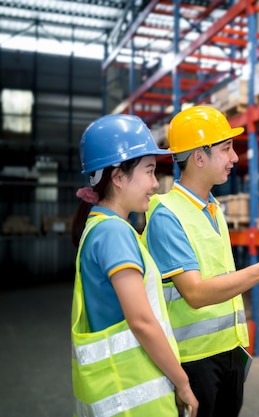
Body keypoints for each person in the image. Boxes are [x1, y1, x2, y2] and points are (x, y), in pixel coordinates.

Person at [141, 105, 259, 417]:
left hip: (229, 352)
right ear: (199, 157)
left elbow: (220, 278)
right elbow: (196, 293)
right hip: (193, 360)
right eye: (226, 149)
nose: (235, 158)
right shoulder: (167, 215)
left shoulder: (213, 209)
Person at [70, 114, 199, 417]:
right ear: (117, 177)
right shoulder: (113, 233)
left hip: (119, 391)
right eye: (149, 171)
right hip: (134, 397)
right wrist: (182, 382)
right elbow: (141, 321)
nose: (155, 184)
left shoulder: (101, 226)